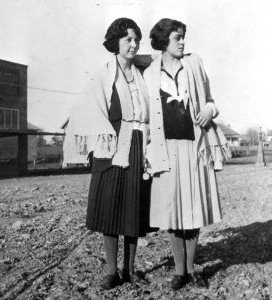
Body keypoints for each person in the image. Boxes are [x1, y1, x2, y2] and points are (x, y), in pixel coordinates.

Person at [143, 19, 230, 290]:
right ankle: (179, 271)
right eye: (177, 38)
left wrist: (209, 110)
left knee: (192, 210)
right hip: (165, 149)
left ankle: (191, 270)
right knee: (172, 211)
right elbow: (146, 118)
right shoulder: (149, 74)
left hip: (193, 147)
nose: (182, 42)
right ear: (163, 41)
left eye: (183, 37)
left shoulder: (194, 63)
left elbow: (211, 101)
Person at [72, 18, 150, 290]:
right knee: (111, 207)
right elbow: (90, 109)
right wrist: (106, 139)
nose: (134, 44)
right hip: (113, 145)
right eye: (128, 39)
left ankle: (129, 270)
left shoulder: (143, 72)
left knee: (133, 207)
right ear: (115, 42)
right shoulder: (104, 74)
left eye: (136, 39)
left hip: (139, 144)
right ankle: (111, 271)